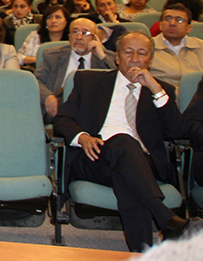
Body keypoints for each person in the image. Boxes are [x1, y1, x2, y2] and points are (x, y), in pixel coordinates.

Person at [54, 32, 199, 252]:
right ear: (118, 57)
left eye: (142, 54)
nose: (134, 58)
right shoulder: (89, 81)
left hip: (142, 165)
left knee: (127, 170)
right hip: (94, 158)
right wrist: (82, 137)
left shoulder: (162, 91)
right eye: (128, 52)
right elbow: (62, 120)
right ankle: (165, 218)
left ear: (150, 60)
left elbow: (178, 131)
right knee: (123, 142)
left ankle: (144, 252)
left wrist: (155, 89)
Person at [36, 18, 117, 118]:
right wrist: (48, 96)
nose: (79, 37)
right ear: (69, 36)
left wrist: (101, 57)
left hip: (94, 111)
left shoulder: (106, 57)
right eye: (75, 32)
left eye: (85, 33)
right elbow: (37, 80)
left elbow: (117, 81)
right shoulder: (53, 56)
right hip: (60, 109)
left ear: (94, 38)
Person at [150, 0, 203, 89]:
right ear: (161, 25)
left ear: (189, 28)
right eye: (168, 19)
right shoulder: (147, 46)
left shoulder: (200, 46)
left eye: (179, 20)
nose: (172, 23)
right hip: (161, 97)